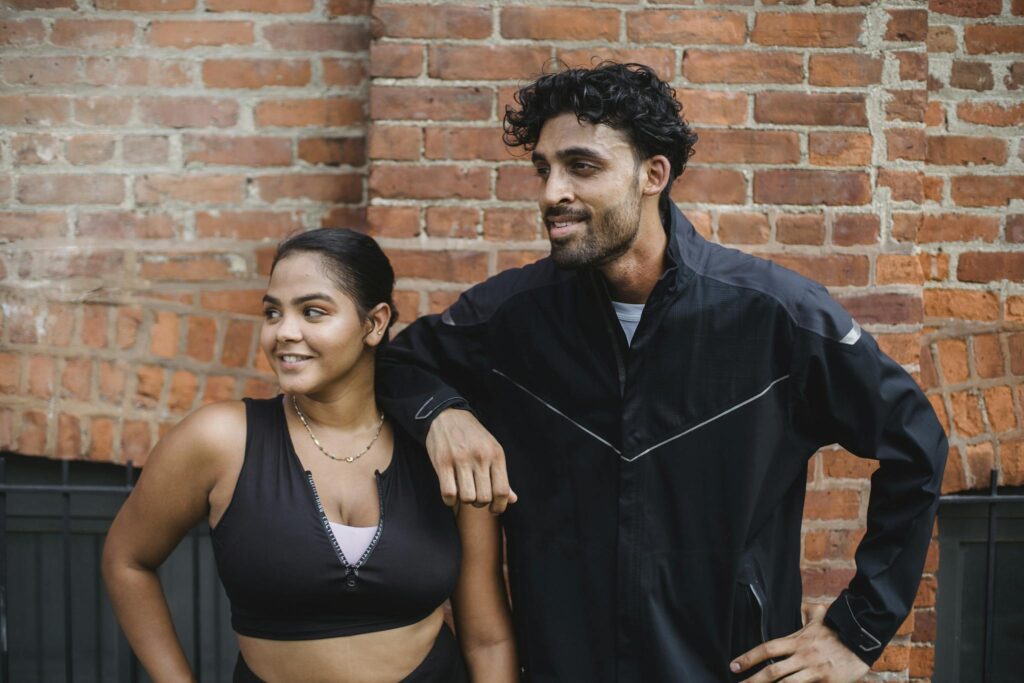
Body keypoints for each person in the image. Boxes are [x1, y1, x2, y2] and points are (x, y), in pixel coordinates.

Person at [376, 63, 948, 682]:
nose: (550, 193)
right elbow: (393, 364)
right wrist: (444, 414)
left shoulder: (774, 315)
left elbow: (915, 443)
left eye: (581, 166)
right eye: (544, 169)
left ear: (654, 174)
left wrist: (855, 632)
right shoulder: (512, 317)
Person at [102, 229, 517, 683]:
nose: (284, 332)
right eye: (272, 312)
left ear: (374, 324)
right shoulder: (220, 439)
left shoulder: (446, 451)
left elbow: (487, 639)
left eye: (313, 312)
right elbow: (127, 561)